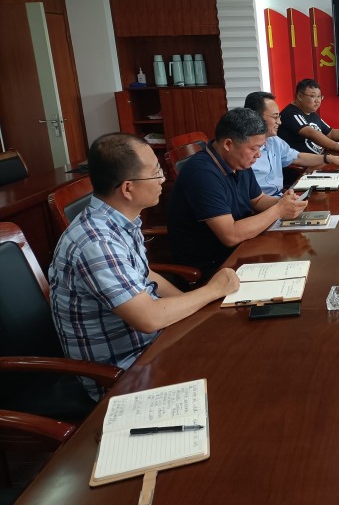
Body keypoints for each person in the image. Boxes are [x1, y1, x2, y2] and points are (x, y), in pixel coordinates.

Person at [48, 133, 240, 400]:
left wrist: (194, 307)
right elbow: (148, 318)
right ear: (128, 188)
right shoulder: (96, 243)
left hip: (155, 346)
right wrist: (212, 290)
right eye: (155, 172)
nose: (163, 178)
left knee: (236, 347)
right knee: (233, 380)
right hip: (123, 374)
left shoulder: (120, 220)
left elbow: (146, 274)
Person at [168, 108, 307, 277]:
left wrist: (284, 203)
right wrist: (278, 210)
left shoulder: (237, 161)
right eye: (254, 149)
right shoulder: (202, 174)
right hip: (215, 266)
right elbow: (230, 235)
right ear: (228, 144)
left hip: (242, 248)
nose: (258, 155)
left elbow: (257, 200)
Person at [243, 91, 339, 196]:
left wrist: (329, 158)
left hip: (280, 196)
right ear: (256, 117)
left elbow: (298, 157)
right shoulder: (243, 151)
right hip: (264, 205)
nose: (279, 122)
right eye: (275, 117)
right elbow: (310, 133)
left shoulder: (274, 140)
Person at [278, 79, 339, 156]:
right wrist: (336, 146)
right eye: (313, 96)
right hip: (299, 165)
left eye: (319, 96)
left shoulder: (312, 113)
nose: (317, 101)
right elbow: (310, 133)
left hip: (318, 160)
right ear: (300, 96)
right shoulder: (291, 113)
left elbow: (331, 133)